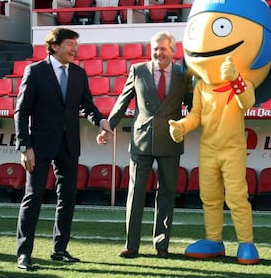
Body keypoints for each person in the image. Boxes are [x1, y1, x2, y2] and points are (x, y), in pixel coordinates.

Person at [14, 27, 111, 271]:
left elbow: (87, 106)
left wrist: (101, 121)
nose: (74, 49)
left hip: (69, 146)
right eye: (70, 44)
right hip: (39, 146)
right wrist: (25, 146)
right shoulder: (35, 71)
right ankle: (24, 253)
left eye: (75, 44)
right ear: (55, 46)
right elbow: (21, 111)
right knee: (33, 197)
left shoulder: (79, 73)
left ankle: (59, 249)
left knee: (67, 197)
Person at [96, 31, 192, 259]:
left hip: (170, 141)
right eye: (155, 48)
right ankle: (132, 245)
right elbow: (123, 99)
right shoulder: (138, 70)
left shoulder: (183, 74)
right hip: (141, 141)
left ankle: (161, 245)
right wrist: (108, 126)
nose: (159, 53)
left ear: (173, 51)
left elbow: (192, 105)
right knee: (136, 192)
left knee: (167, 194)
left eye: (163, 49)